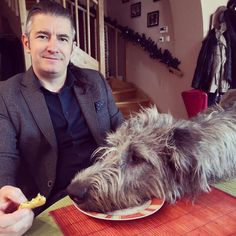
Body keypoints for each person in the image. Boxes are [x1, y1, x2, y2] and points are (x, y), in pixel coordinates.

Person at [0, 1, 123, 235]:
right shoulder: (6, 95)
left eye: (63, 38)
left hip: (107, 193)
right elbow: (3, 155)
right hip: (53, 204)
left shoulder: (96, 82)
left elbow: (122, 131)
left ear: (72, 46)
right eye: (43, 36)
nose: (53, 46)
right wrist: (3, 190)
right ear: (27, 42)